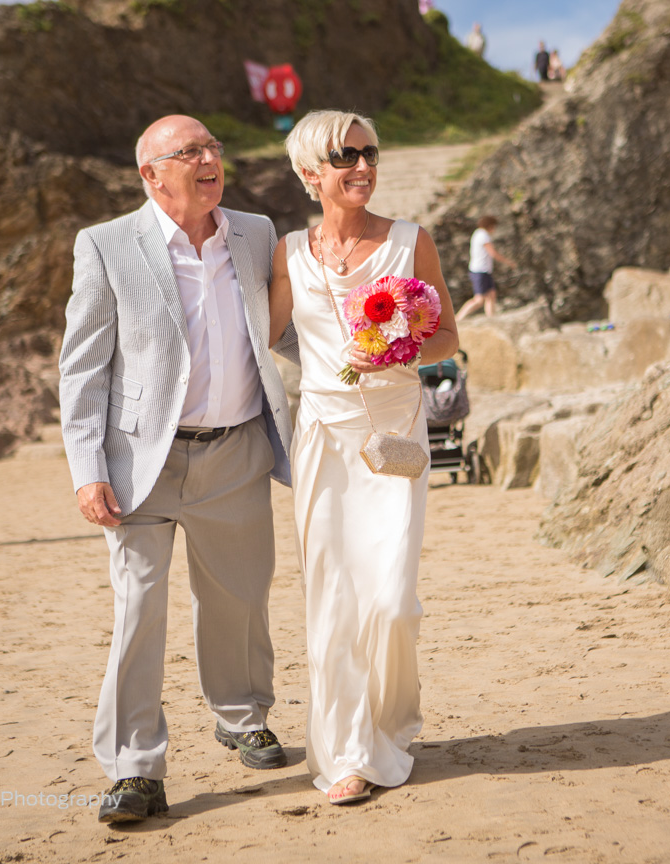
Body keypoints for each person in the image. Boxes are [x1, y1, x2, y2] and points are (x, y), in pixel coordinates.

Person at [59, 114, 296, 825]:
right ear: (151, 173)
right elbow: (83, 368)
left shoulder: (255, 233)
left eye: (212, 148)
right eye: (188, 151)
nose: (207, 159)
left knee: (241, 598)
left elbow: (285, 331)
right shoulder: (104, 246)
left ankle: (241, 714)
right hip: (141, 463)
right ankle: (135, 767)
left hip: (238, 451)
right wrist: (85, 467)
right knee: (139, 612)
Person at [268, 110, 460, 806]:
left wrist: (403, 341)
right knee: (334, 600)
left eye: (369, 152)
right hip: (322, 434)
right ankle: (349, 753)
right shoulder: (287, 251)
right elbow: (258, 333)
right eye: (344, 155)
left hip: (397, 437)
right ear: (309, 172)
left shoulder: (411, 242)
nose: (362, 166)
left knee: (390, 603)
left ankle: (392, 726)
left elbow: (448, 339)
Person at [457, 215, 515, 319]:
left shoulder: (477, 233)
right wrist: (509, 262)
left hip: (483, 270)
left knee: (491, 295)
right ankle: (458, 318)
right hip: (480, 270)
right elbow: (493, 253)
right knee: (479, 300)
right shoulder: (483, 235)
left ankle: (491, 318)